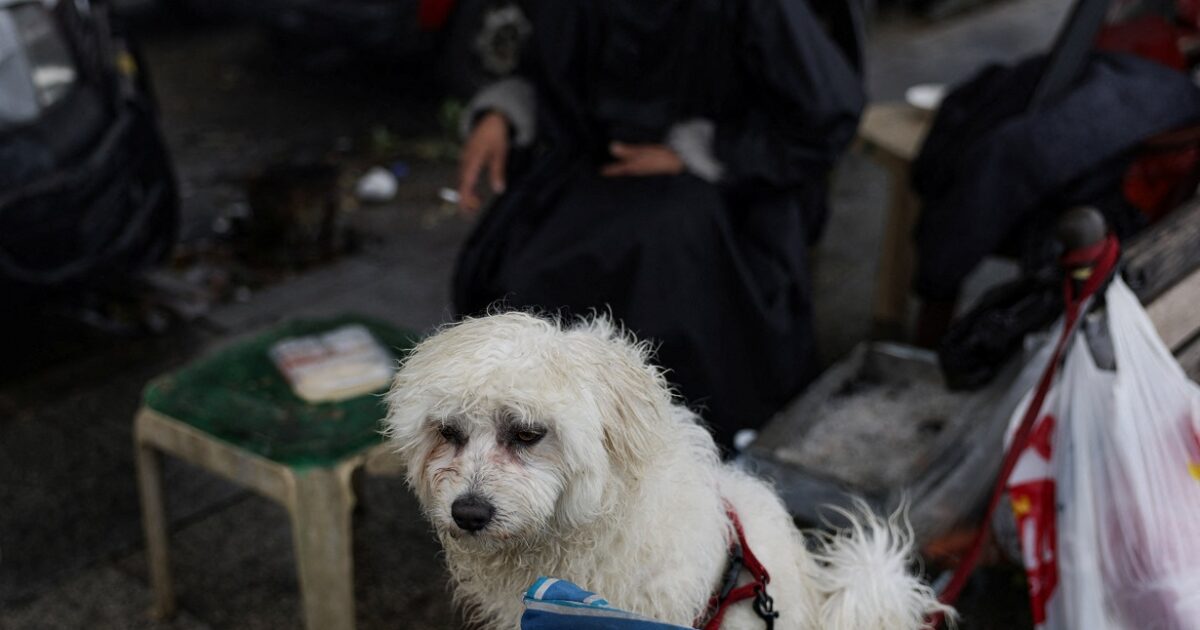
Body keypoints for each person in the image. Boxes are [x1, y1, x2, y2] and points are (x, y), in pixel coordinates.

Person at [452, 0, 864, 450]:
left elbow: (826, 114)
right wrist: (505, 111)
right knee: (520, 287)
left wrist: (699, 151)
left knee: (667, 311)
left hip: (723, 193)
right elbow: (548, 68)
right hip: (592, 170)